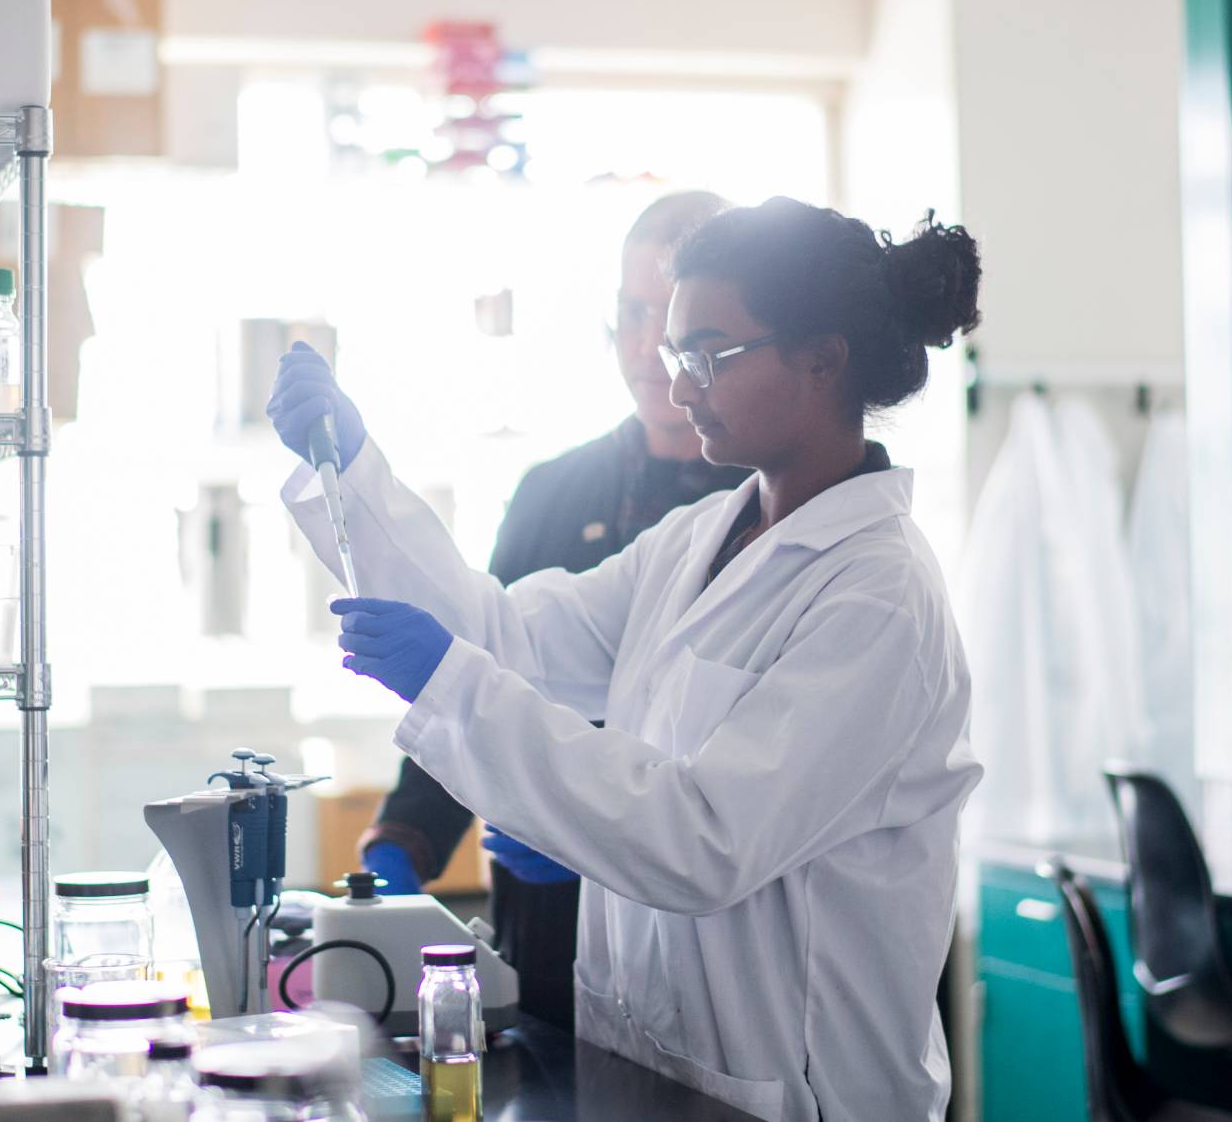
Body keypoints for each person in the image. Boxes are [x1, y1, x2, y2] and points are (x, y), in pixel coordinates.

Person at [268, 198, 984, 1121]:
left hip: (802, 1096)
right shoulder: (701, 537)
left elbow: (703, 838)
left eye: (707, 355)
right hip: (657, 1073)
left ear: (822, 357)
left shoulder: (879, 596)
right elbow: (509, 636)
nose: (678, 384)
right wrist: (356, 472)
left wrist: (456, 687)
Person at [357, 190, 747, 1033]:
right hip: (535, 921)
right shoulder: (552, 491)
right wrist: (404, 840)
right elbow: (479, 665)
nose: (652, 345)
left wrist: (585, 831)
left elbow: (735, 782)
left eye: (675, 319)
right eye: (632, 312)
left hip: (682, 927)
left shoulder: (759, 513)